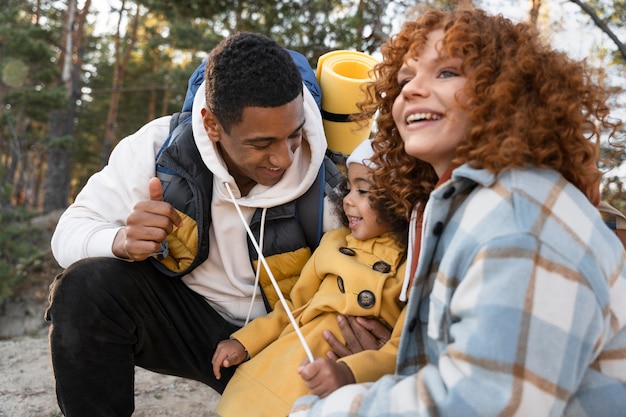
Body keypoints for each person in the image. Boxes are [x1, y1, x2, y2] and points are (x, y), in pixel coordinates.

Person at [291, 7, 626, 417]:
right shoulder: (468, 205)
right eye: (404, 79)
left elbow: (486, 401)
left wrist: (325, 411)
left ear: (506, 89)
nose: (412, 89)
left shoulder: (520, 217)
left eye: (446, 72)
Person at [45, 32, 383, 417]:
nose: (284, 158)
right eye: (262, 143)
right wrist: (121, 240)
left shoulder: (337, 183)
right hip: (187, 325)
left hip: (285, 339)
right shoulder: (158, 147)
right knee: (85, 287)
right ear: (212, 124)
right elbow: (68, 233)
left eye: (293, 136)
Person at [212, 139, 410, 416]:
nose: (349, 200)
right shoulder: (334, 243)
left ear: (401, 199)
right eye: (349, 188)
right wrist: (245, 342)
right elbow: (291, 308)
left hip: (343, 377)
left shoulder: (412, 264)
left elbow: (400, 349)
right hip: (287, 361)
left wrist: (350, 372)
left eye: (363, 190)